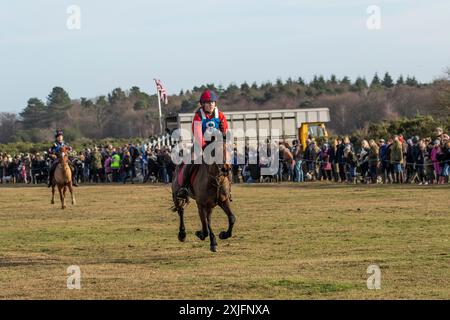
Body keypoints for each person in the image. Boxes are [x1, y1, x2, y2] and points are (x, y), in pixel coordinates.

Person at [176, 89, 229, 200]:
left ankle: (228, 190)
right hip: (200, 146)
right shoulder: (198, 116)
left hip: (216, 145)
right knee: (189, 162)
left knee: (227, 162)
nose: (211, 105)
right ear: (202, 104)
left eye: (212, 102)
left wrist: (222, 142)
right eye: (208, 103)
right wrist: (205, 147)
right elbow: (198, 134)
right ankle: (184, 188)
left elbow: (224, 130)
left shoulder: (220, 115)